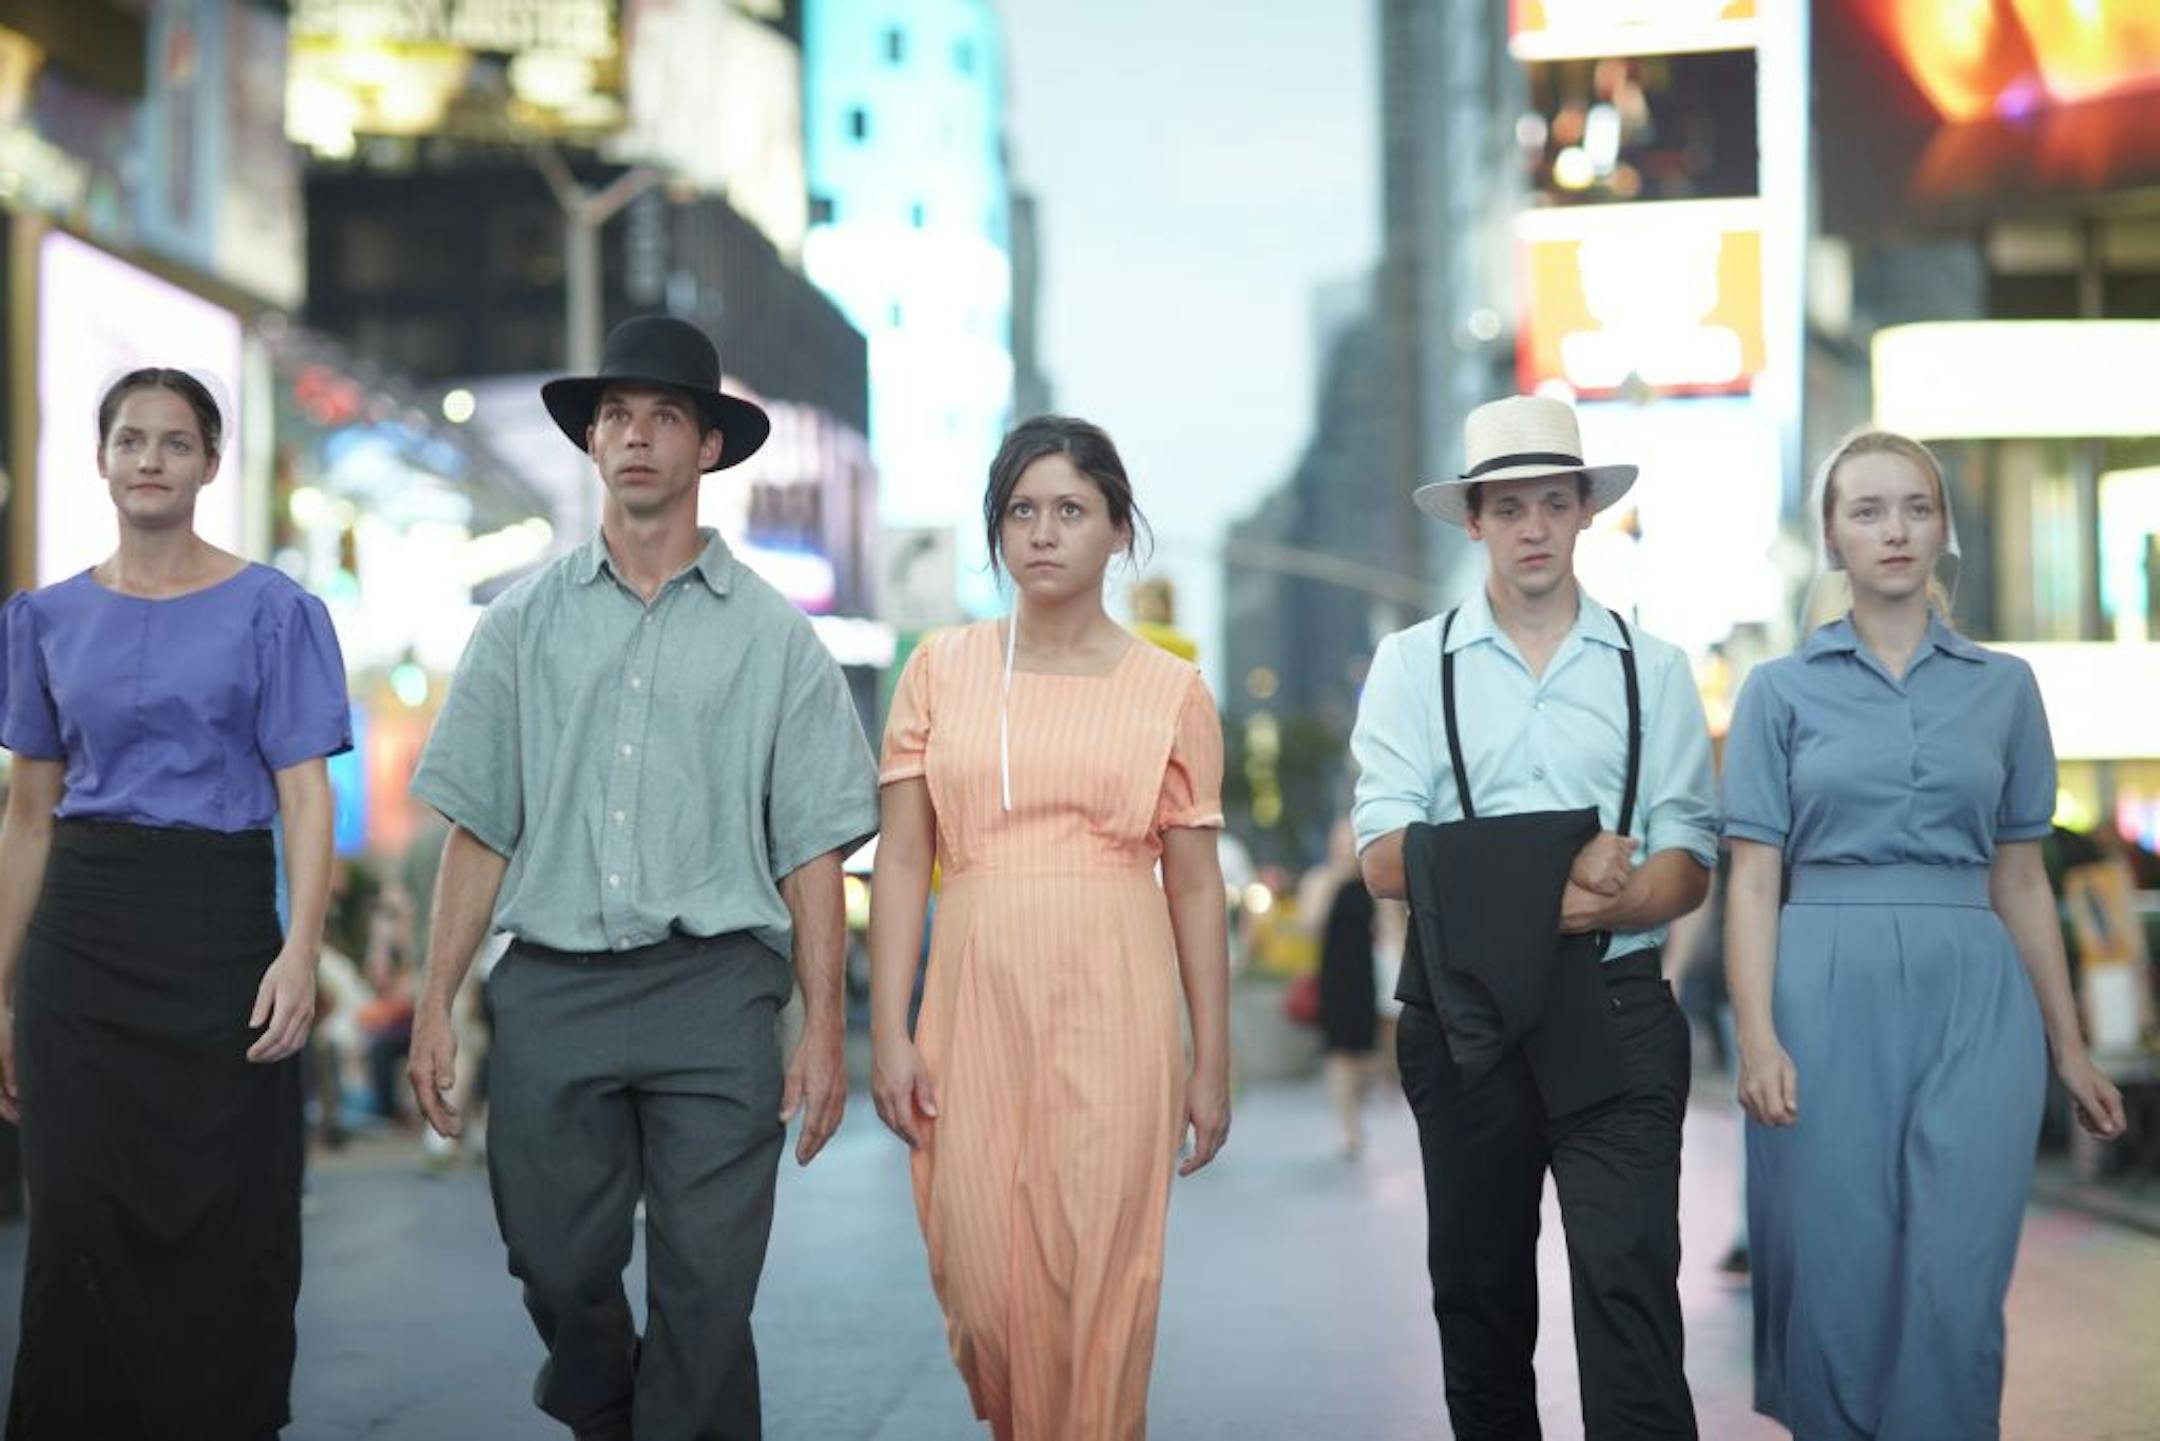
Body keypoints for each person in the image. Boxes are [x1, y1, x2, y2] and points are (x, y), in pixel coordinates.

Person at [405, 315, 878, 1441]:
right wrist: (433, 1002)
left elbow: (815, 848)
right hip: (552, 987)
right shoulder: (519, 625)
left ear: (708, 447)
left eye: (666, 417)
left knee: (708, 1292)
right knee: (554, 1258)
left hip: (716, 991)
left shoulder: (777, 641)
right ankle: (618, 1410)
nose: (636, 437)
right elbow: (479, 826)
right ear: (593, 441)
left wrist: (823, 1024)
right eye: (617, 415)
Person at [1721, 428, 2126, 1440]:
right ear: (1831, 539)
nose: (1894, 529)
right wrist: (1760, 1036)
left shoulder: (2004, 688)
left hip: (1975, 993)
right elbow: (1753, 879)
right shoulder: (1778, 691)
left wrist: (2069, 1044)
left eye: (1916, 507)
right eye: (1867, 510)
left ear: (1944, 529)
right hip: (1821, 989)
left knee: (1959, 1272)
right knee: (1840, 1267)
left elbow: (2023, 880)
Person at [1351, 394, 1717, 1439]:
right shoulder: (1413, 666)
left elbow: (1687, 861)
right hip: (1470, 1022)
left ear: (1585, 513)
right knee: (1479, 1306)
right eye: (1508, 508)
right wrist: (1573, 878)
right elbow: (1383, 858)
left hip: (1619, 1006)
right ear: (1474, 520)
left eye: (1553, 503)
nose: (1533, 528)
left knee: (1631, 1291)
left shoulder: (1660, 670)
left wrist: (1512, 891)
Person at [0, 366, 350, 1438]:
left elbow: (304, 798)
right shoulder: (42, 618)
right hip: (80, 942)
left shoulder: (278, 612)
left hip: (219, 933)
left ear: (209, 463)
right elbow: (25, 818)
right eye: (131, 440)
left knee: (230, 1218)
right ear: (101, 458)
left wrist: (300, 951)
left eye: (175, 442)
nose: (150, 460)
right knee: (72, 1224)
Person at [867, 415, 1232, 1440]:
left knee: (1102, 1285)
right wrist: (888, 1029)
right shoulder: (940, 671)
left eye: (1071, 510)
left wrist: (1214, 1056)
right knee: (982, 1290)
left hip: (1117, 1002)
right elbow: (902, 857)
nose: (1043, 532)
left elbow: (1196, 887)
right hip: (973, 1004)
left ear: (1119, 530)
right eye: (1020, 511)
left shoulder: (1172, 692)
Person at [1306, 818, 1380, 1157]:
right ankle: (1347, 1124)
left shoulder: (1372, 880)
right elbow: (1310, 927)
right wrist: (1332, 884)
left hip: (1365, 975)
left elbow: (1389, 928)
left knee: (1365, 1055)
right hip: (1334, 976)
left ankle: (1355, 1108)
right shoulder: (1321, 880)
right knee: (1339, 1052)